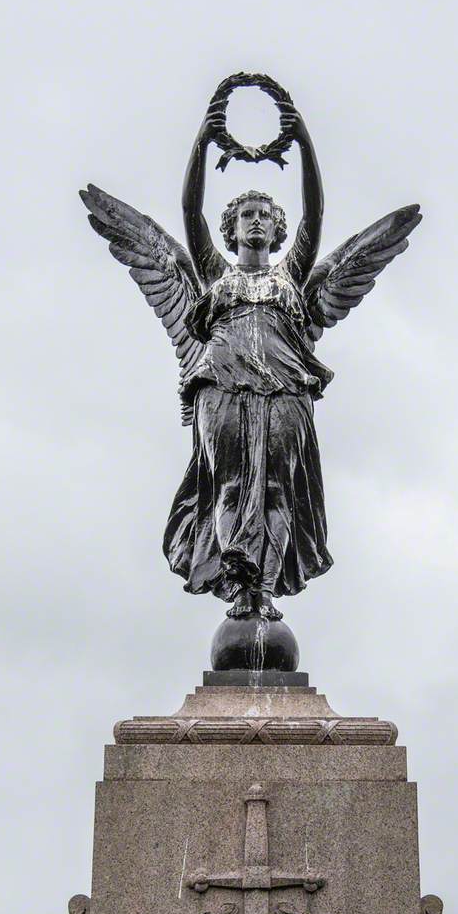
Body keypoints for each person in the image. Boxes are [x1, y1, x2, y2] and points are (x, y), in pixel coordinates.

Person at [163, 97, 334, 620]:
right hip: (220, 383)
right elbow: (189, 211)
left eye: (264, 215)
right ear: (230, 228)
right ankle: (238, 586)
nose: (255, 222)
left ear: (276, 229)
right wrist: (203, 141)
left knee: (279, 487)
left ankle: (261, 587)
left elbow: (316, 212)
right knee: (231, 484)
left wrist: (302, 139)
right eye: (245, 215)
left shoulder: (291, 277)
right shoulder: (215, 274)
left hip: (285, 386)